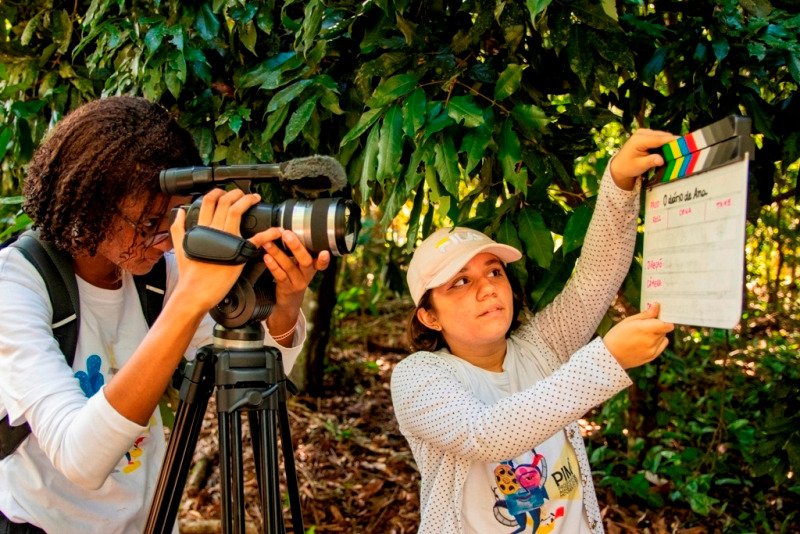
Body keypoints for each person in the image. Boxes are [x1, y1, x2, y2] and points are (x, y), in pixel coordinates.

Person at [0, 96, 329, 533]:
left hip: (151, 521)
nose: (167, 238)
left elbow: (257, 368)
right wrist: (189, 299)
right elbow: (79, 457)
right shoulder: (16, 284)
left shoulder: (157, 271)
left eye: (177, 216)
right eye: (149, 221)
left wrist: (284, 302)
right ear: (92, 203)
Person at [391, 128, 677, 534]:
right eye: (460, 282)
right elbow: (484, 434)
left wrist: (618, 184)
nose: (487, 287)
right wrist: (607, 360)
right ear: (429, 317)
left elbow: (594, 281)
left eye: (494, 272)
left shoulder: (539, 347)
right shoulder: (418, 376)